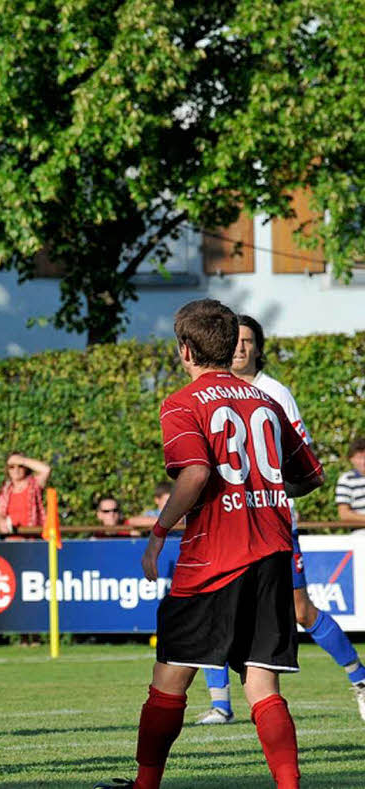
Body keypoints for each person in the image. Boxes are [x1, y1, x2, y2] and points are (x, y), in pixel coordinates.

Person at [94, 299, 324, 789]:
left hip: (213, 558)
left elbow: (196, 472)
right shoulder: (266, 402)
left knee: (170, 679)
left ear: (185, 350)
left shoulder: (181, 403)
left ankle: (145, 784)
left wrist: (157, 535)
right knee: (262, 684)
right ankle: (289, 785)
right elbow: (307, 477)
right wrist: (261, 489)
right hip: (270, 552)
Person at [197, 315, 365, 725]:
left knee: (300, 609)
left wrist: (269, 494)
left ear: (258, 347)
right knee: (213, 601)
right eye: (233, 340)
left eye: (248, 341)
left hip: (272, 523)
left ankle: (359, 679)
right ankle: (221, 704)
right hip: (227, 522)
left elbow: (301, 459)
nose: (240, 348)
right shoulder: (210, 394)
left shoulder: (275, 393)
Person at [0, 451, 50, 539]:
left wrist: (22, 460)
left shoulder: (34, 484)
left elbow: (46, 470)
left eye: (20, 466)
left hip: (33, 537)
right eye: (12, 467)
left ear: (26, 468)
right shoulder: (5, 489)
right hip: (11, 538)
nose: (16, 469)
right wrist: (1, 521)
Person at [335, 436, 365, 524]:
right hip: (360, 531)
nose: (363, 462)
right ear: (351, 459)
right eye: (359, 457)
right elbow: (344, 514)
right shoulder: (346, 480)